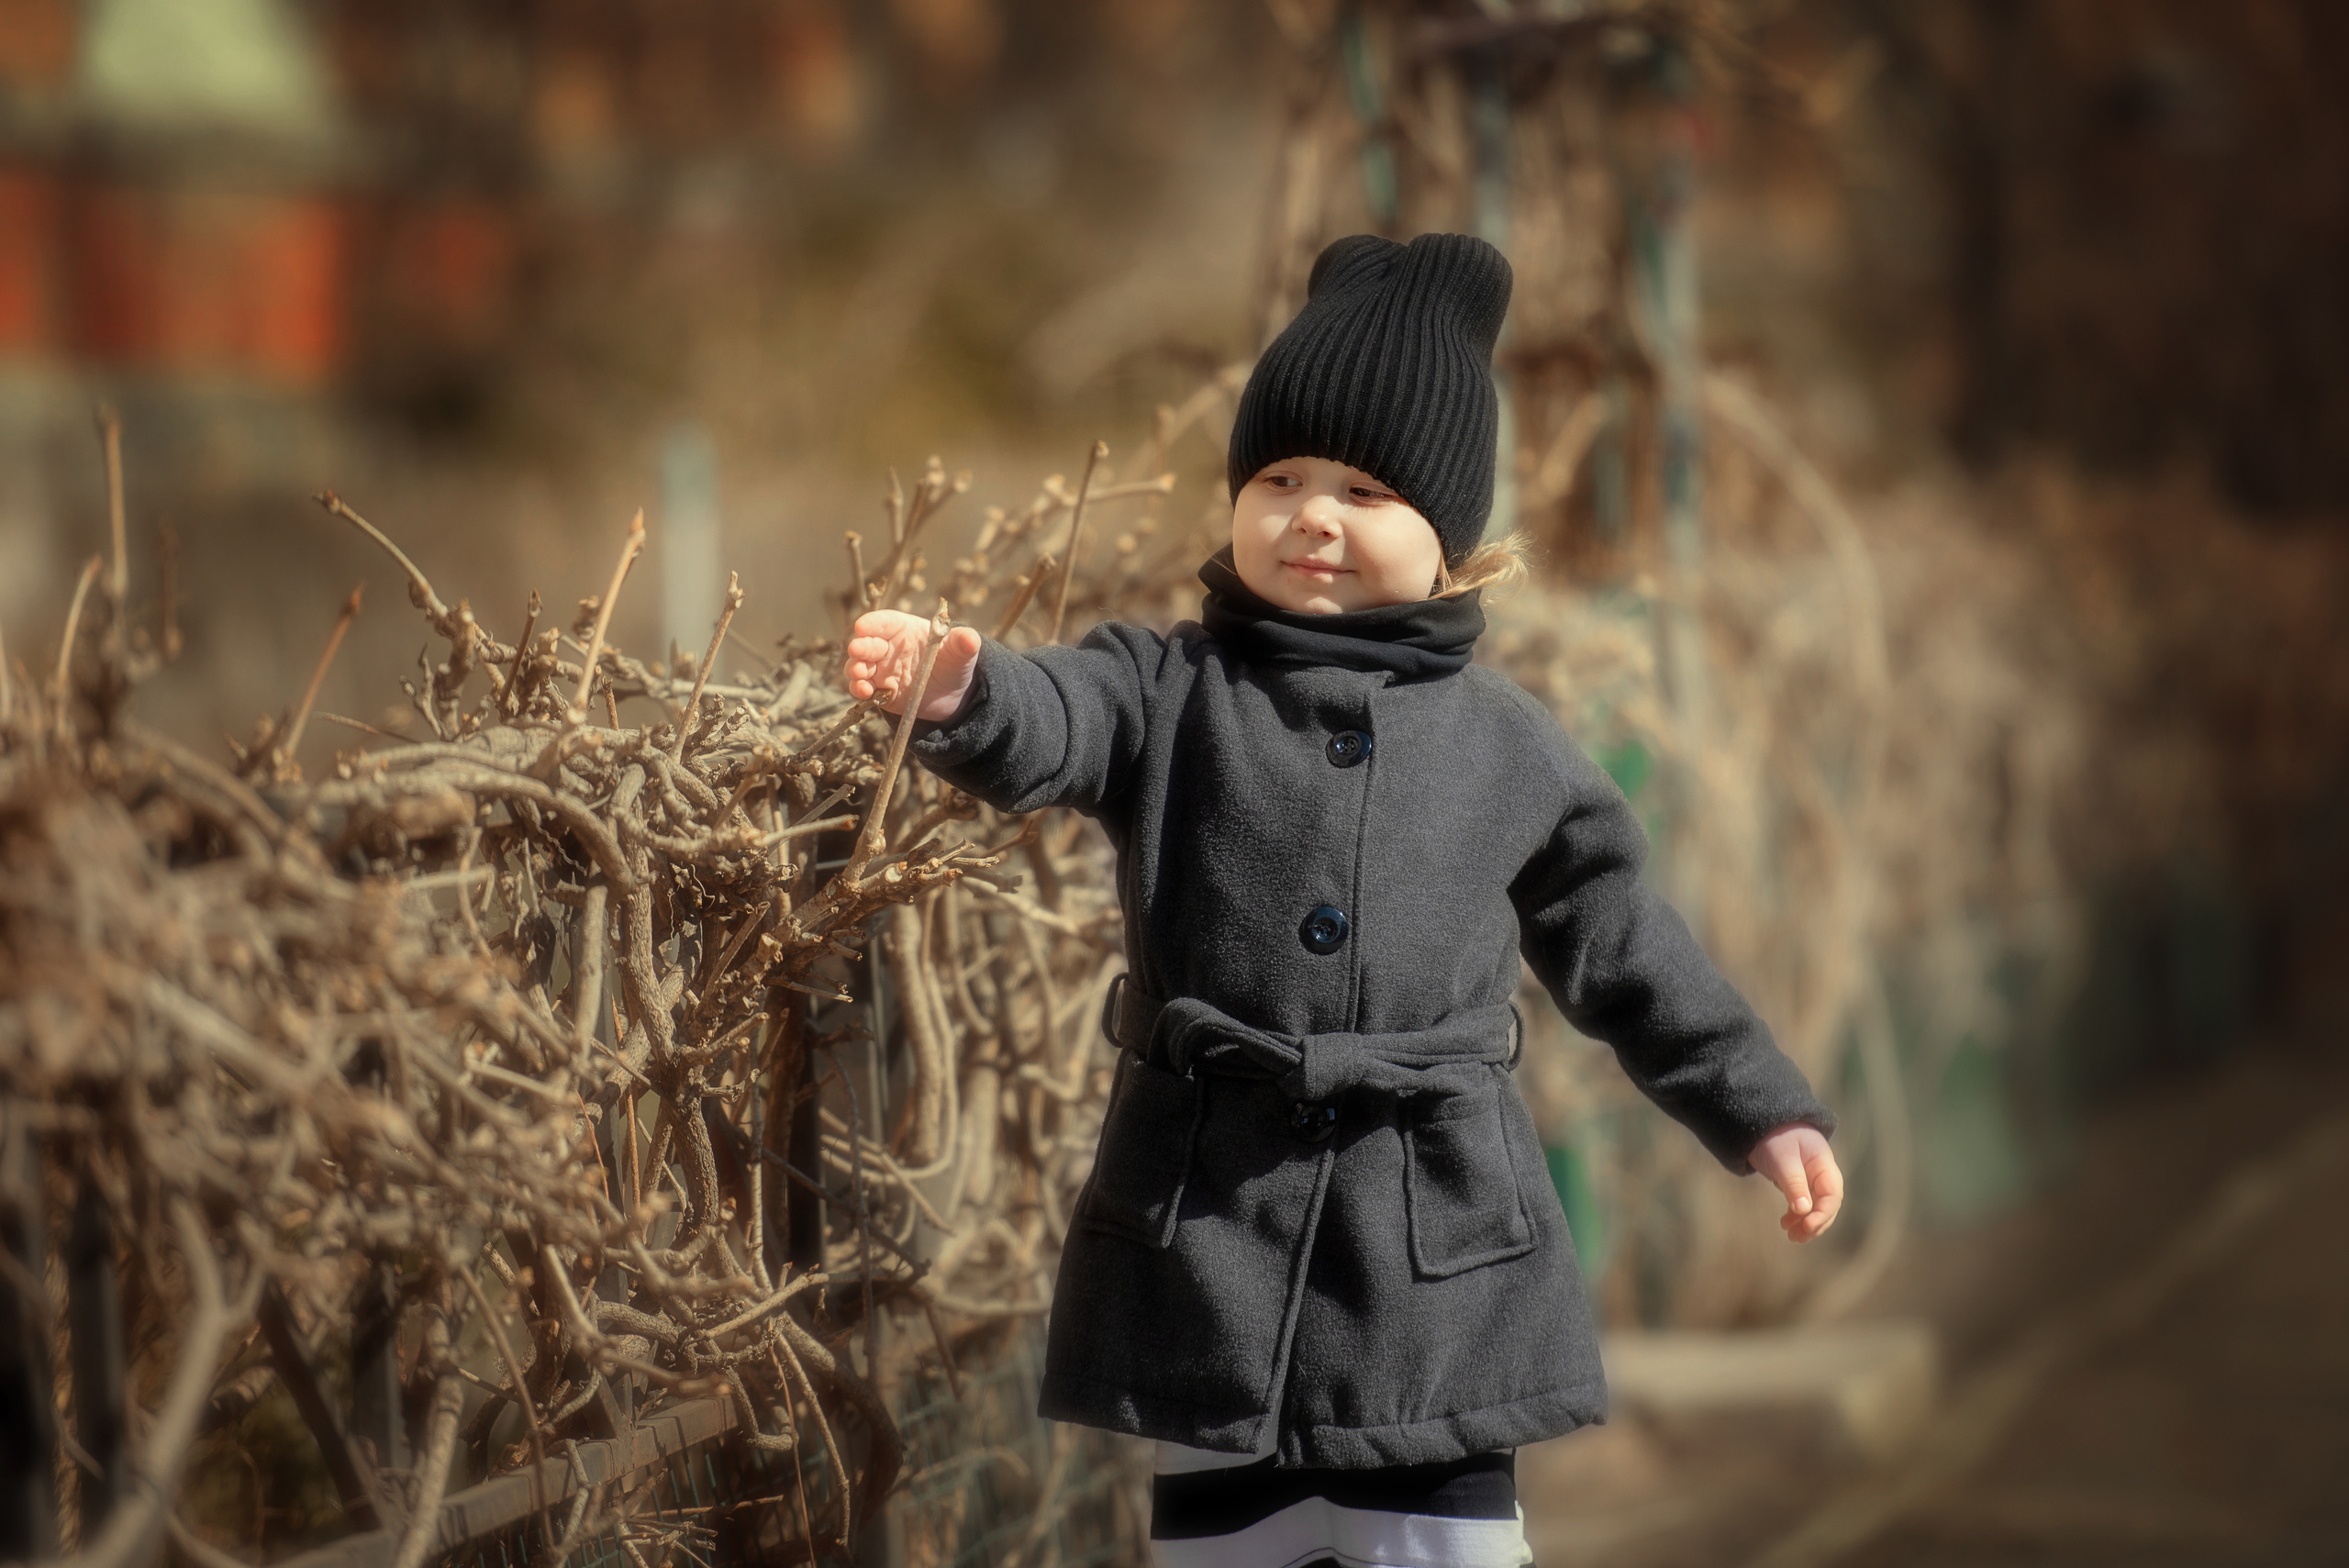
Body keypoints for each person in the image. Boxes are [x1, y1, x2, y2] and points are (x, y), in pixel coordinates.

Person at [842, 232, 1842, 1568]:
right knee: (1222, 1546)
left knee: (1442, 1551)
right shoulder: (1171, 685)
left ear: (1448, 539)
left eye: (1365, 489)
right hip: (1215, 1240)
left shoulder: (1506, 743)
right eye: (1279, 477)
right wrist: (968, 690)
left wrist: (1758, 1102)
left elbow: (1619, 940)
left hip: (1426, 1262)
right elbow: (1062, 715)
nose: (1311, 514)